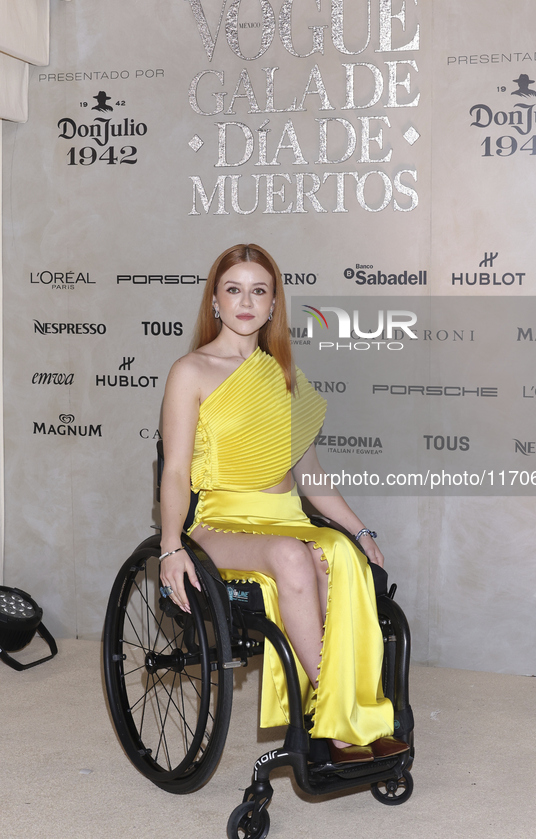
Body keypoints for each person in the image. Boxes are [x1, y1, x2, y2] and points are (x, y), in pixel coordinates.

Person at [159, 243, 408, 765]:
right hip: (220, 521)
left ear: (274, 304)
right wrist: (168, 547)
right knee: (295, 556)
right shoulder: (191, 371)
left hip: (286, 519)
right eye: (233, 289)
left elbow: (310, 478)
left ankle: (351, 706)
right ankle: (335, 718)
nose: (245, 301)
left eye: (258, 291)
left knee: (338, 555)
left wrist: (362, 533)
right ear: (215, 302)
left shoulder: (285, 377)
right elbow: (177, 470)